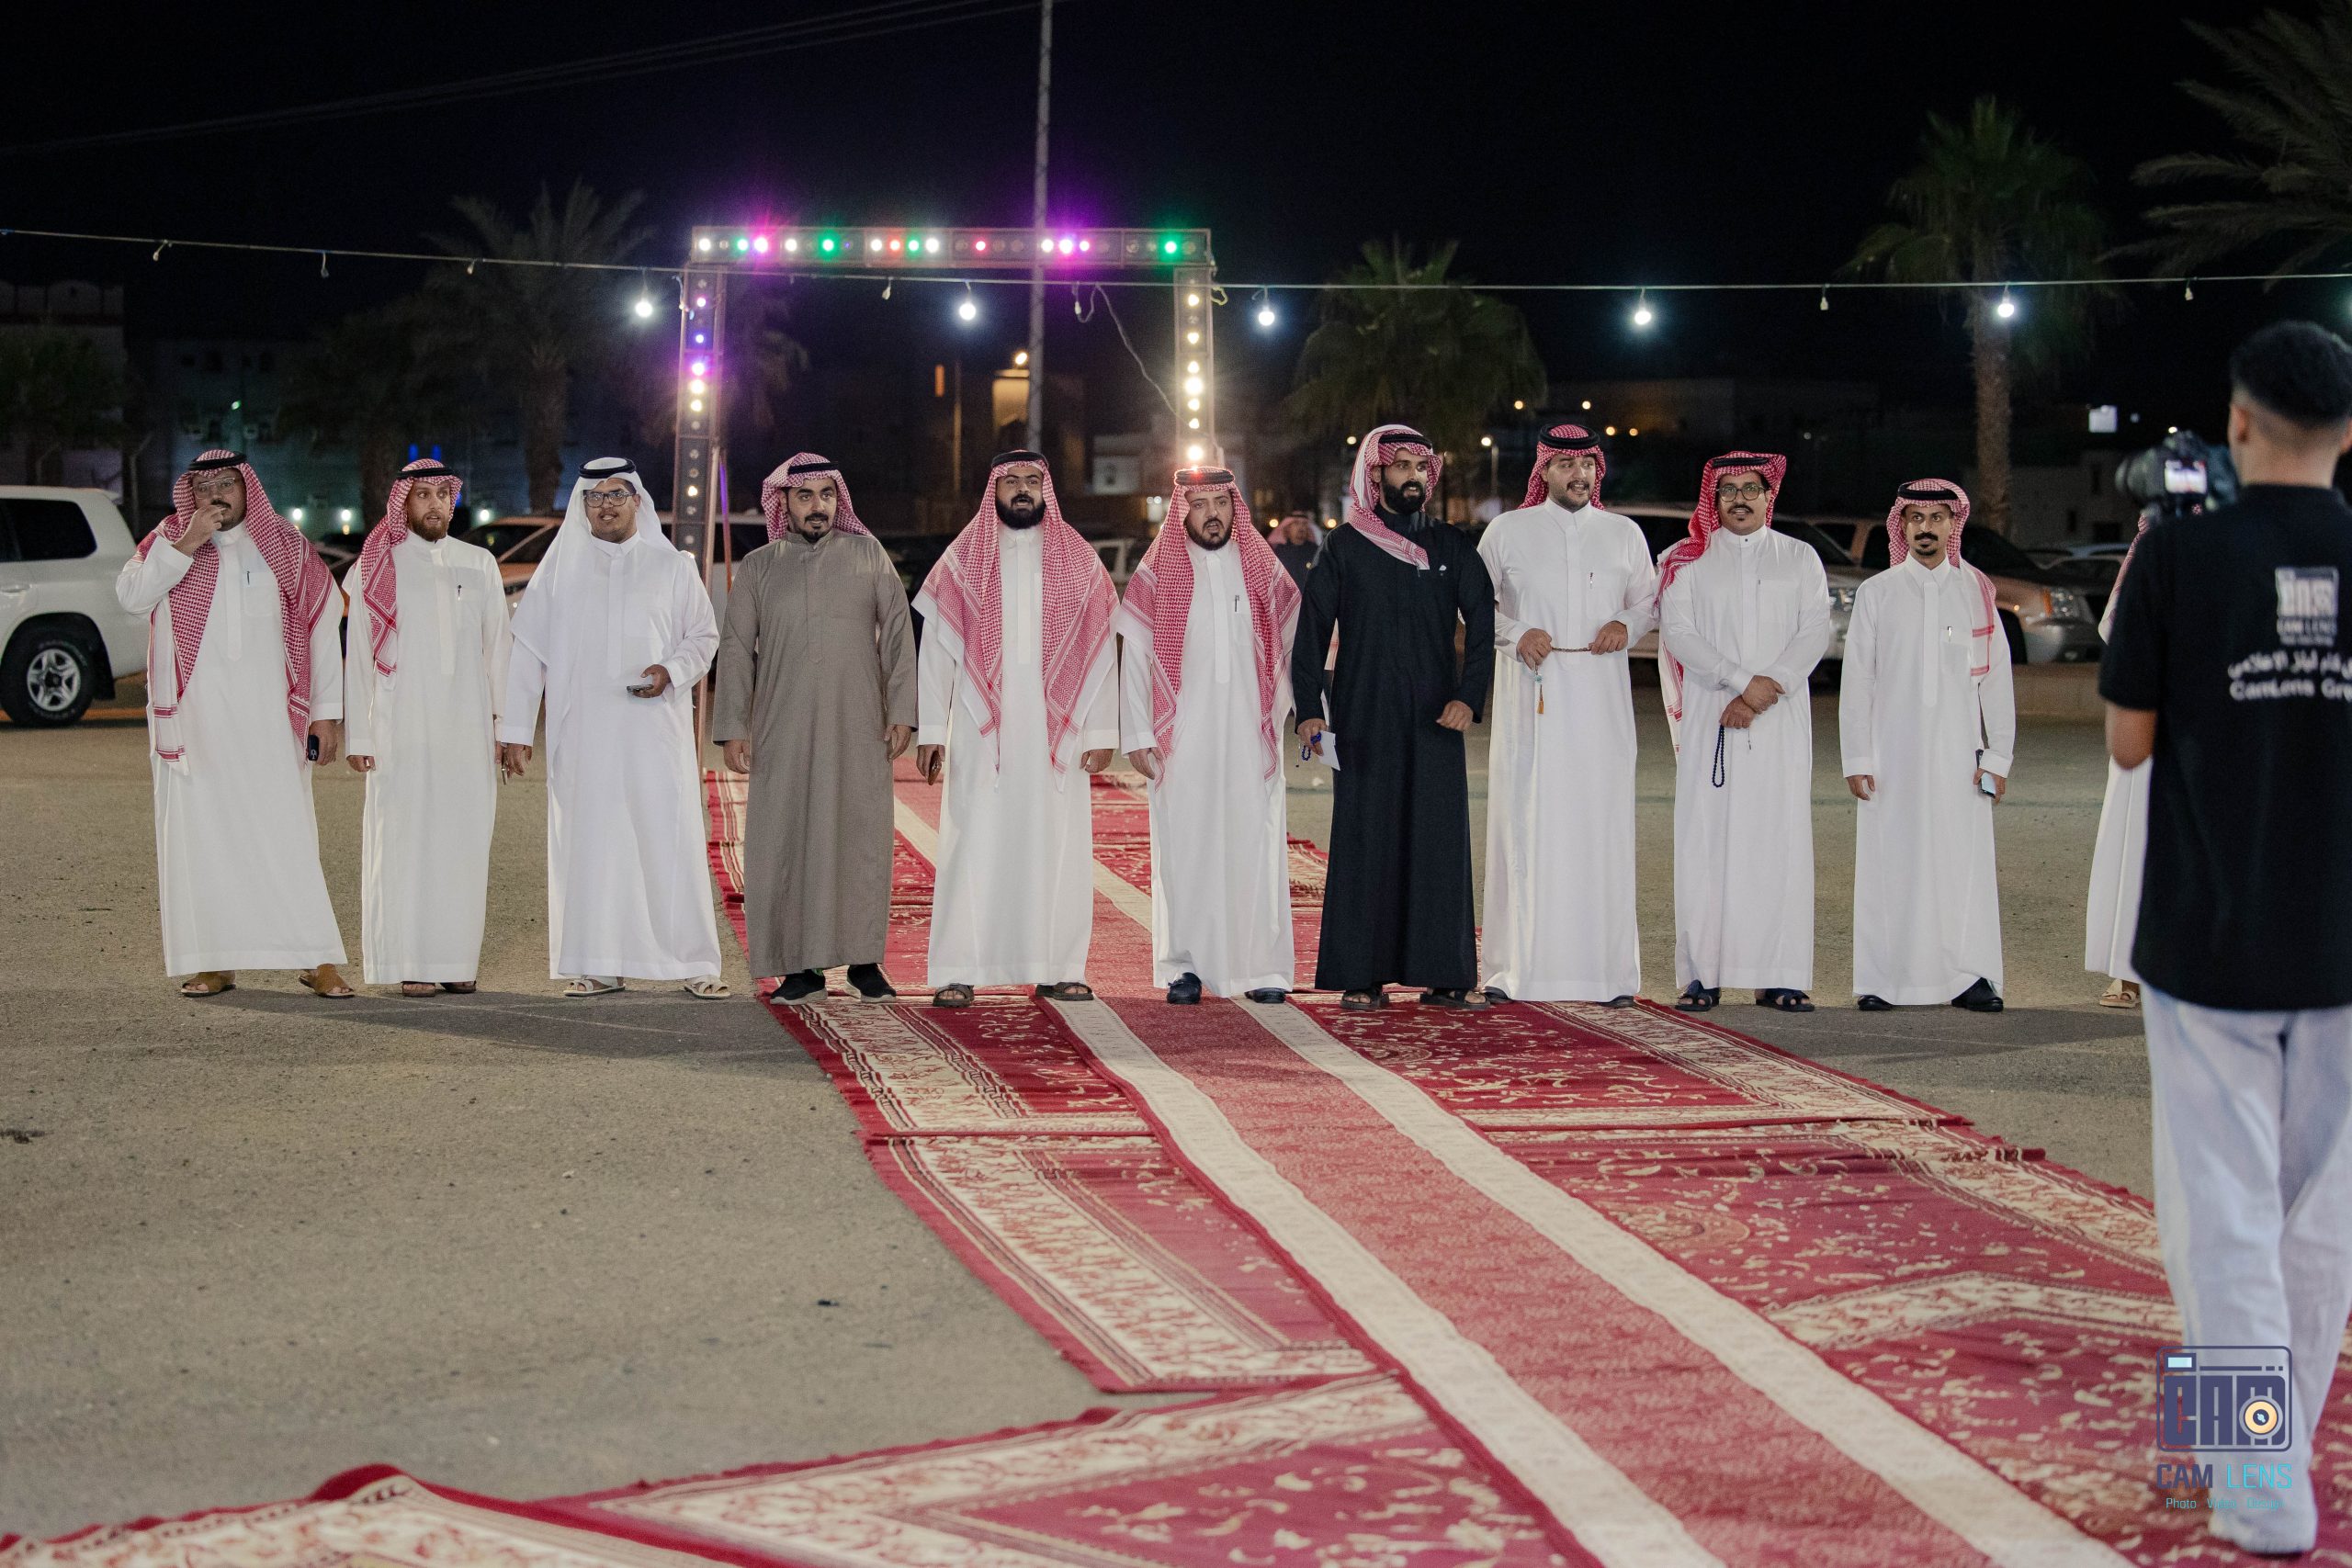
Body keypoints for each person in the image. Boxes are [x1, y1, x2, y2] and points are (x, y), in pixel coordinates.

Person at [2100, 321, 2352, 1557]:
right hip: (2343, 939)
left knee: (2225, 1216)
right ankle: (2254, 1448)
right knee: (2320, 1218)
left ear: (2239, 422)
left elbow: (2127, 742)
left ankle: (2257, 1478)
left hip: (2210, 934)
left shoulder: (2179, 553)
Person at [115, 449, 351, 998]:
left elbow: (322, 626)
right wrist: (187, 543)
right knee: (204, 841)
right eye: (203, 487)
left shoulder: (285, 546)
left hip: (272, 723)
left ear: (247, 488)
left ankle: (316, 957)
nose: (215, 495)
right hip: (195, 724)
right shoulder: (168, 541)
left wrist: (325, 714)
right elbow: (131, 597)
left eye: (226, 483)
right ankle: (214, 961)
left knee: (289, 837)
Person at [497, 457, 727, 999]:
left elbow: (703, 636)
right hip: (584, 737)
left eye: (617, 494)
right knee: (591, 845)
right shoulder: (559, 572)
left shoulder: (672, 567)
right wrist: (516, 730)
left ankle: (693, 962)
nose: (606, 505)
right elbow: (527, 654)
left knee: (667, 839)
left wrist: (671, 671)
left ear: (637, 501)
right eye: (595, 496)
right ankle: (597, 963)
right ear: (583, 506)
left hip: (655, 732)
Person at [1292, 423, 1494, 1011]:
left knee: (1438, 837)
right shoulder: (1346, 546)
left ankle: (1444, 974)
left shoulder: (1451, 545)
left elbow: (1483, 624)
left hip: (1437, 716)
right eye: (1400, 466)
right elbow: (1311, 632)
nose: (1412, 476)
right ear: (1375, 473)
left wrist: (1469, 696)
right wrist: (1310, 711)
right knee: (1366, 836)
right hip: (1364, 714)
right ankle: (1363, 974)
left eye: (1420, 467)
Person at [913, 450, 1118, 1007]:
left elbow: (1101, 652)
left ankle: (1058, 965)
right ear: (994, 490)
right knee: (971, 840)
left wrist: (1101, 733)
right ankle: (959, 966)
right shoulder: (962, 560)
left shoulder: (1080, 561)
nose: (1023, 490)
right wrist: (931, 729)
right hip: (979, 734)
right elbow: (936, 651)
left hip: (1059, 736)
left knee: (1060, 845)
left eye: (1032, 480)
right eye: (1011, 481)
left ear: (1046, 488)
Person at [714, 454, 918, 1005]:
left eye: (827, 495)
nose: (817, 506)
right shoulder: (759, 566)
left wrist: (901, 711)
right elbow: (736, 649)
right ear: (784, 502)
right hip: (782, 726)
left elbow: (899, 635)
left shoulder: (868, 555)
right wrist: (733, 726)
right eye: (805, 496)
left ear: (838, 500)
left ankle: (864, 963)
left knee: (860, 838)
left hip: (859, 724)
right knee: (785, 839)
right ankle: (798, 968)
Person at [1478, 422, 1654, 1005]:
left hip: (1603, 699)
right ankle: (1515, 970)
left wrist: (1625, 623)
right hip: (1533, 698)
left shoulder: (1623, 533)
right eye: (1565, 465)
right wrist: (1517, 632)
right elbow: (1474, 607)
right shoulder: (1507, 531)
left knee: (1601, 823)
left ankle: (1608, 976)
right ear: (1545, 471)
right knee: (1529, 820)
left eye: (1588, 466)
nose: (1579, 475)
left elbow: (1649, 601)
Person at [1115, 465, 1302, 1005]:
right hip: (1182, 738)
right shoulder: (1159, 572)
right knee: (1185, 845)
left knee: (1255, 843)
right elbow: (1136, 659)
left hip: (1249, 733)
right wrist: (1139, 733)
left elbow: (1297, 643)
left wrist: (1307, 711)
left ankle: (1261, 967)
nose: (1212, 514)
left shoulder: (1260, 568)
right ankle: (1185, 966)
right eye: (1200, 505)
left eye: (1221, 502)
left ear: (1234, 507)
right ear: (1183, 512)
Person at [1656, 452, 1831, 1013]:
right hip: (1712, 718)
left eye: (1750, 488)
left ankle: (1780, 977)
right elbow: (1678, 633)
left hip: (1779, 720)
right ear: (1714, 499)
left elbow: (1815, 631)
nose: (1739, 499)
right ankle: (1702, 977)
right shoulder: (1688, 564)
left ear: (1768, 495)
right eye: (1728, 489)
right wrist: (1739, 682)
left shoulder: (1799, 558)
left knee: (1779, 842)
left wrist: (1766, 688)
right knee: (1707, 842)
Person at [1839, 479, 2013, 1012]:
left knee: (1962, 864)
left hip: (1961, 756)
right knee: (1891, 862)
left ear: (1954, 525)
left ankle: (1968, 977)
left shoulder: (1976, 591)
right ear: (1902, 526)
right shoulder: (1878, 592)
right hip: (1891, 754)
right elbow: (1858, 681)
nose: (1926, 528)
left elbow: (1996, 680)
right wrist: (1857, 757)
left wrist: (1998, 757)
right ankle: (1883, 979)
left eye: (1937, 518)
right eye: (1916, 518)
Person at [343, 459, 510, 997]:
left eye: (443, 494)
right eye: (422, 494)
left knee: (464, 842)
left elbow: (499, 651)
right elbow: (359, 656)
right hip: (401, 729)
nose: (435, 504)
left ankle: (456, 960)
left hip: (468, 729)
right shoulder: (377, 567)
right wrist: (360, 734)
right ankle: (408, 961)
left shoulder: (479, 563)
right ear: (403, 503)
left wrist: (507, 729)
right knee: (405, 844)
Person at [2084, 432, 2237, 1010]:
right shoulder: (2148, 555)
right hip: (2150, 722)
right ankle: (2126, 971)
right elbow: (2116, 630)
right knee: (2134, 842)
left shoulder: (2231, 556)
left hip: (2208, 728)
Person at [1269, 512, 1320, 588]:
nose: (1301, 527)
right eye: (1296, 523)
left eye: (1304, 524)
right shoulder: (1278, 551)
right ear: (1288, 528)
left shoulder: (1316, 551)